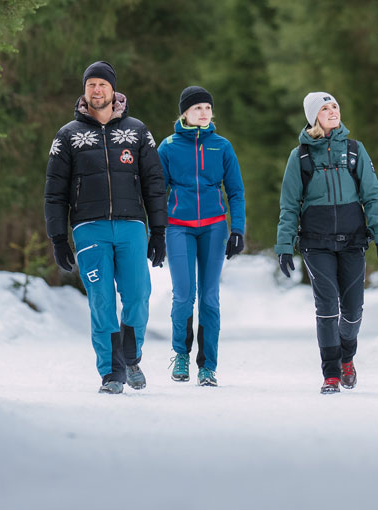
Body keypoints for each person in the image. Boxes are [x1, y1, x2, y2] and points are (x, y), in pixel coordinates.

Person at [45, 60, 168, 394]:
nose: (96, 90)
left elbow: (154, 184)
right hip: (89, 229)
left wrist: (158, 232)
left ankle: (130, 356)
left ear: (113, 91)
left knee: (138, 297)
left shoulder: (138, 131)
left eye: (102, 84)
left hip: (131, 227)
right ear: (84, 91)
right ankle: (111, 373)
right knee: (101, 301)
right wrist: (58, 237)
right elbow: (55, 191)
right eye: (90, 85)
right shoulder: (68, 136)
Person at [275, 91, 378, 394]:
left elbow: (372, 196)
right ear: (314, 116)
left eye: (335, 106)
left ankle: (347, 359)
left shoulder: (355, 150)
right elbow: (289, 205)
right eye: (325, 108)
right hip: (316, 243)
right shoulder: (299, 156)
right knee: (327, 306)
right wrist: (284, 246)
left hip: (353, 240)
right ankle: (330, 373)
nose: (332, 111)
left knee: (353, 310)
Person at [157, 85, 246, 388]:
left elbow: (235, 192)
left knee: (209, 296)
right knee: (184, 294)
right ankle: (181, 354)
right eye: (197, 108)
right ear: (184, 112)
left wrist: (238, 230)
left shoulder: (222, 146)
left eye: (207, 108)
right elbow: (157, 193)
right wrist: (156, 232)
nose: (204, 113)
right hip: (178, 226)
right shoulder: (168, 147)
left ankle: (208, 366)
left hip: (214, 227)